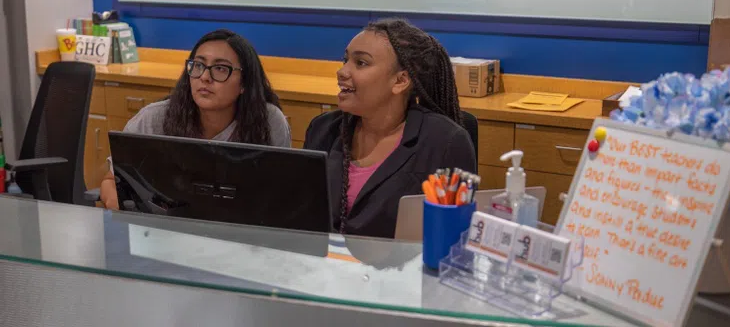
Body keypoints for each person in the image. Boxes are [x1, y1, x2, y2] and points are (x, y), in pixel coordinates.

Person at [304, 18, 476, 239]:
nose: (342, 71)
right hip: (325, 267)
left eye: (361, 63)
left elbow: (455, 236)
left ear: (401, 81)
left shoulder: (444, 142)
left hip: (402, 271)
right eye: (345, 60)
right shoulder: (323, 129)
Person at [99, 29, 291, 209]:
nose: (205, 77)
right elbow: (111, 182)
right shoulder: (153, 119)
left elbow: (283, 196)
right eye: (198, 65)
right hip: (166, 233)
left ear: (245, 84)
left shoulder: (268, 121)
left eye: (221, 69)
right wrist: (131, 209)